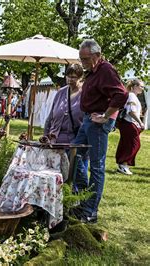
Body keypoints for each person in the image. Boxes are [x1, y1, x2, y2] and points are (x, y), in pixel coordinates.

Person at [71, 39, 128, 223]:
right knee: (74, 155)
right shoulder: (92, 72)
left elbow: (121, 94)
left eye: (85, 59)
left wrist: (105, 115)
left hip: (97, 124)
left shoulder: (106, 70)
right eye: (81, 59)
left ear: (97, 55)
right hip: (88, 120)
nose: (83, 63)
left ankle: (90, 211)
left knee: (96, 166)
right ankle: (84, 199)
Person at [44, 64, 85, 143]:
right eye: (68, 76)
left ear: (80, 78)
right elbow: (50, 117)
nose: (70, 79)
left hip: (75, 141)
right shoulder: (60, 92)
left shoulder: (84, 94)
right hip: (53, 140)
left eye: (73, 77)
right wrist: (45, 136)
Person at [115, 79, 145, 175]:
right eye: (141, 86)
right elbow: (131, 111)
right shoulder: (131, 96)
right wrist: (140, 122)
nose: (142, 89)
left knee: (126, 144)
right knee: (134, 144)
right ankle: (123, 164)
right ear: (134, 86)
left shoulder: (132, 96)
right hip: (129, 123)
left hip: (128, 123)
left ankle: (123, 164)